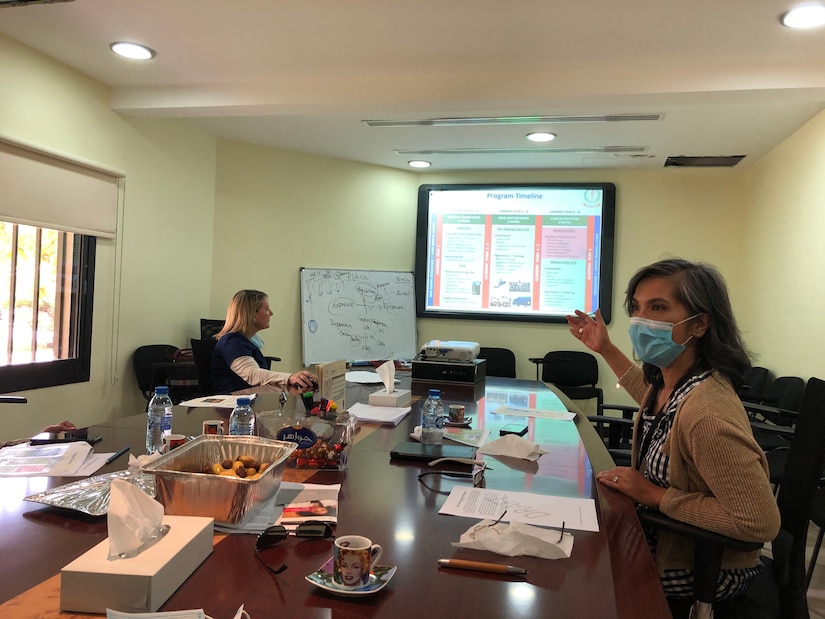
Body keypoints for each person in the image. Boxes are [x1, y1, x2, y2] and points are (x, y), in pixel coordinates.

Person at [566, 258, 779, 605]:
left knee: (574, 580)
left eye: (658, 307)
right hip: (668, 540)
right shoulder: (675, 382)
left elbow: (758, 522)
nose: (640, 320)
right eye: (636, 307)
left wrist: (655, 495)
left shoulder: (707, 413)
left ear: (699, 324)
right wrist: (604, 347)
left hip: (698, 567)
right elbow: (652, 400)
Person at [212, 289, 317, 396]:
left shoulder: (246, 341)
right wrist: (290, 377)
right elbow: (253, 375)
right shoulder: (232, 343)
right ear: (251, 313)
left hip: (251, 400)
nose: (271, 313)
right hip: (234, 406)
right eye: (266, 309)